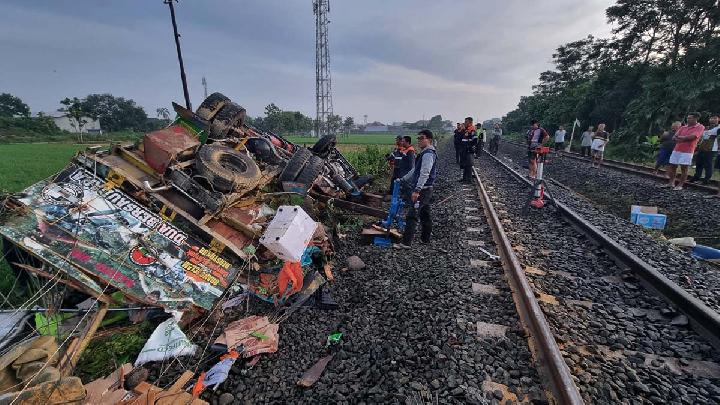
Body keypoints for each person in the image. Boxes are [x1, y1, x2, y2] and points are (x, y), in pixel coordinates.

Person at [394, 129, 437, 249]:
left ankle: (406, 243)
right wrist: (403, 179)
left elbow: (425, 173)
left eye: (421, 138)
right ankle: (425, 239)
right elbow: (415, 170)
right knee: (425, 213)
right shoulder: (424, 153)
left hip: (423, 189)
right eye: (418, 138)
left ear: (429, 139)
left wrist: (417, 190)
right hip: (426, 189)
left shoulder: (428, 153)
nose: (419, 140)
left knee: (412, 215)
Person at [666, 112, 705, 191]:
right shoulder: (683, 127)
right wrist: (684, 138)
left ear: (696, 118)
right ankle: (671, 183)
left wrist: (680, 137)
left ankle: (680, 185)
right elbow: (674, 137)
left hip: (688, 150)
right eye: (688, 118)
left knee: (684, 167)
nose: (688, 119)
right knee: (672, 166)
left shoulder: (700, 127)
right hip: (677, 149)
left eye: (690, 118)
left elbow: (693, 137)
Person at [689, 115, 719, 184]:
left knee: (708, 164)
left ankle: (706, 180)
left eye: (715, 118)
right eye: (711, 118)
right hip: (702, 147)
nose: (712, 119)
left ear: (718, 119)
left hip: (711, 149)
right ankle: (696, 177)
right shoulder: (706, 128)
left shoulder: (718, 128)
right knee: (699, 163)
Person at [459, 118, 478, 183]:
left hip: (468, 150)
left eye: (466, 122)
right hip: (465, 149)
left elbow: (475, 140)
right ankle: (464, 179)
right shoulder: (466, 129)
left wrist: (469, 146)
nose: (465, 123)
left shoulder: (472, 130)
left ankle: (469, 179)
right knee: (465, 164)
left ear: (470, 123)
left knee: (469, 165)